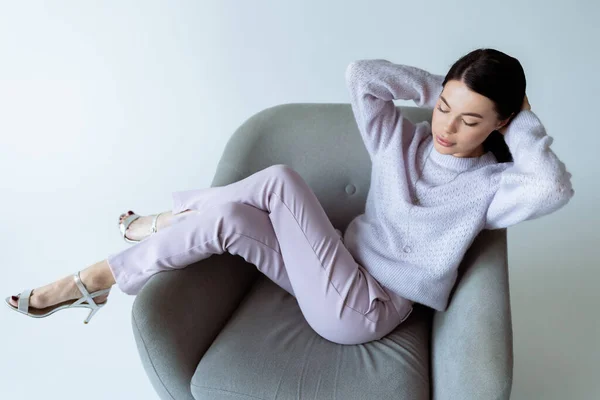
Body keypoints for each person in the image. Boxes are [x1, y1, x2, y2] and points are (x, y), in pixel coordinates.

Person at [5, 48, 574, 345]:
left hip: (364, 311)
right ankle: (94, 285)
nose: (447, 127)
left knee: (277, 180)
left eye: (470, 120)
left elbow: (552, 186)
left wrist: (521, 116)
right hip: (334, 272)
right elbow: (362, 75)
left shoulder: (493, 189)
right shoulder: (401, 140)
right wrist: (444, 86)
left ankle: (145, 235)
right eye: (445, 109)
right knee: (228, 215)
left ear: (497, 127)